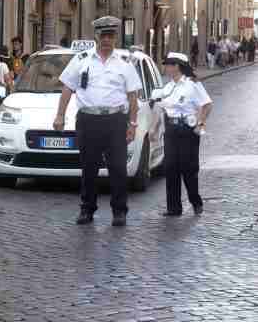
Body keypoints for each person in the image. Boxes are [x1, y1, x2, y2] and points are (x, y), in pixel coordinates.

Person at [54, 16, 141, 227]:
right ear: (96, 37)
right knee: (89, 168)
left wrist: (132, 124)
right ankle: (87, 210)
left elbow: (133, 96)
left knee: (118, 168)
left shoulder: (124, 64)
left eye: (110, 36)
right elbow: (67, 88)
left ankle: (119, 211)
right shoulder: (81, 60)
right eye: (103, 36)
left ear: (115, 38)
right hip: (88, 119)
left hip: (115, 121)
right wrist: (60, 115)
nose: (107, 40)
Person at [156, 52, 212, 216]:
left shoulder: (192, 84)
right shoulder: (168, 86)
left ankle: (195, 202)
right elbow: (163, 109)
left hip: (188, 130)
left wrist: (200, 123)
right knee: (171, 168)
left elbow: (207, 105)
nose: (165, 67)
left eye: (168, 64)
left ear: (177, 66)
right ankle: (174, 208)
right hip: (171, 130)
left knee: (188, 169)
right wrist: (155, 129)